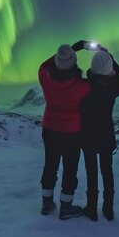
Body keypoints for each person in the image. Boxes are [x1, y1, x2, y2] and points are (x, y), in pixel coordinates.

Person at [38, 42, 90, 220]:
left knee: (50, 165)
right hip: (71, 133)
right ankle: (66, 207)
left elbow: (44, 65)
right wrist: (74, 51)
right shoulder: (82, 86)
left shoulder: (46, 78)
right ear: (74, 63)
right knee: (70, 169)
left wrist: (66, 52)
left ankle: (46, 203)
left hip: (49, 129)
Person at [79, 45, 119, 221]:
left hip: (87, 136)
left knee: (91, 173)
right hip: (106, 135)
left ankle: (91, 208)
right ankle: (108, 208)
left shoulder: (83, 86)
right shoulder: (112, 87)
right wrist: (108, 55)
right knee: (107, 172)